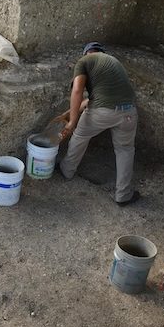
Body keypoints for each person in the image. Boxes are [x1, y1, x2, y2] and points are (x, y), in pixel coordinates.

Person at [56, 42, 140, 206]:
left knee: (80, 135)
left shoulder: (84, 62)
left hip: (103, 112)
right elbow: (91, 99)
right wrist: (69, 113)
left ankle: (66, 171)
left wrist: (72, 122)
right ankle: (123, 196)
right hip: (129, 112)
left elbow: (78, 90)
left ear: (87, 53)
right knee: (125, 150)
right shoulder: (111, 62)